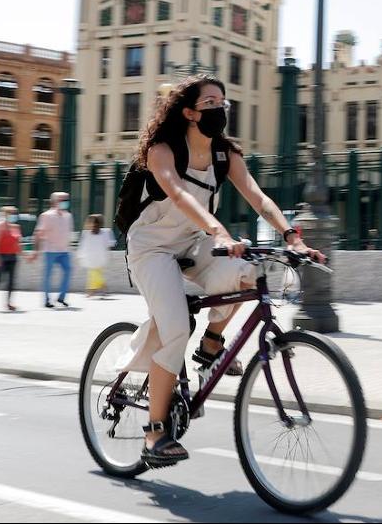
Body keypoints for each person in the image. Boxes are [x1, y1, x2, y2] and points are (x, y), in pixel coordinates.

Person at [113, 74, 324, 469]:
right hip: (152, 248)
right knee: (174, 327)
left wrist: (292, 236)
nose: (219, 108)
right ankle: (154, 433)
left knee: (246, 272)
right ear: (190, 112)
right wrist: (219, 231)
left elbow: (259, 198)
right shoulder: (163, 150)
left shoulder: (225, 154)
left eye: (222, 102)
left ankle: (211, 343)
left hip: (194, 243)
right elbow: (175, 192)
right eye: (209, 102)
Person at [32, 192, 74, 308]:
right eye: (62, 200)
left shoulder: (68, 216)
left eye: (66, 199)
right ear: (54, 201)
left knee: (68, 270)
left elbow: (68, 232)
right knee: (47, 275)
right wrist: (36, 251)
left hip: (64, 251)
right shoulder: (46, 216)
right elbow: (38, 234)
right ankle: (46, 300)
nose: (65, 202)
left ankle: (61, 297)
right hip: (50, 250)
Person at [79, 214, 115, 298]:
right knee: (93, 274)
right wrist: (81, 255)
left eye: (94, 223)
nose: (92, 225)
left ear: (98, 224)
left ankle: (93, 290)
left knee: (94, 273)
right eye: (91, 222)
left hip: (100, 257)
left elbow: (109, 244)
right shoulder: (86, 233)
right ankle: (99, 289)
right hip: (90, 258)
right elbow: (83, 245)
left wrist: (108, 252)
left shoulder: (104, 233)